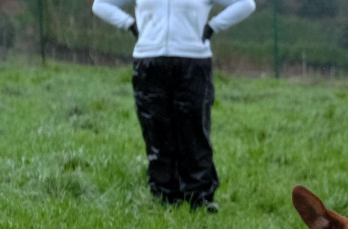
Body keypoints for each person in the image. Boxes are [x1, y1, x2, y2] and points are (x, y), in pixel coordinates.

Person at [92, 0, 256, 213]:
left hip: (193, 61)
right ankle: (164, 195)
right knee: (156, 129)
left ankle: (200, 197)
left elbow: (246, 4)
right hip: (149, 61)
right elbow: (101, 4)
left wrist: (212, 27)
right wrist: (130, 24)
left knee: (194, 131)